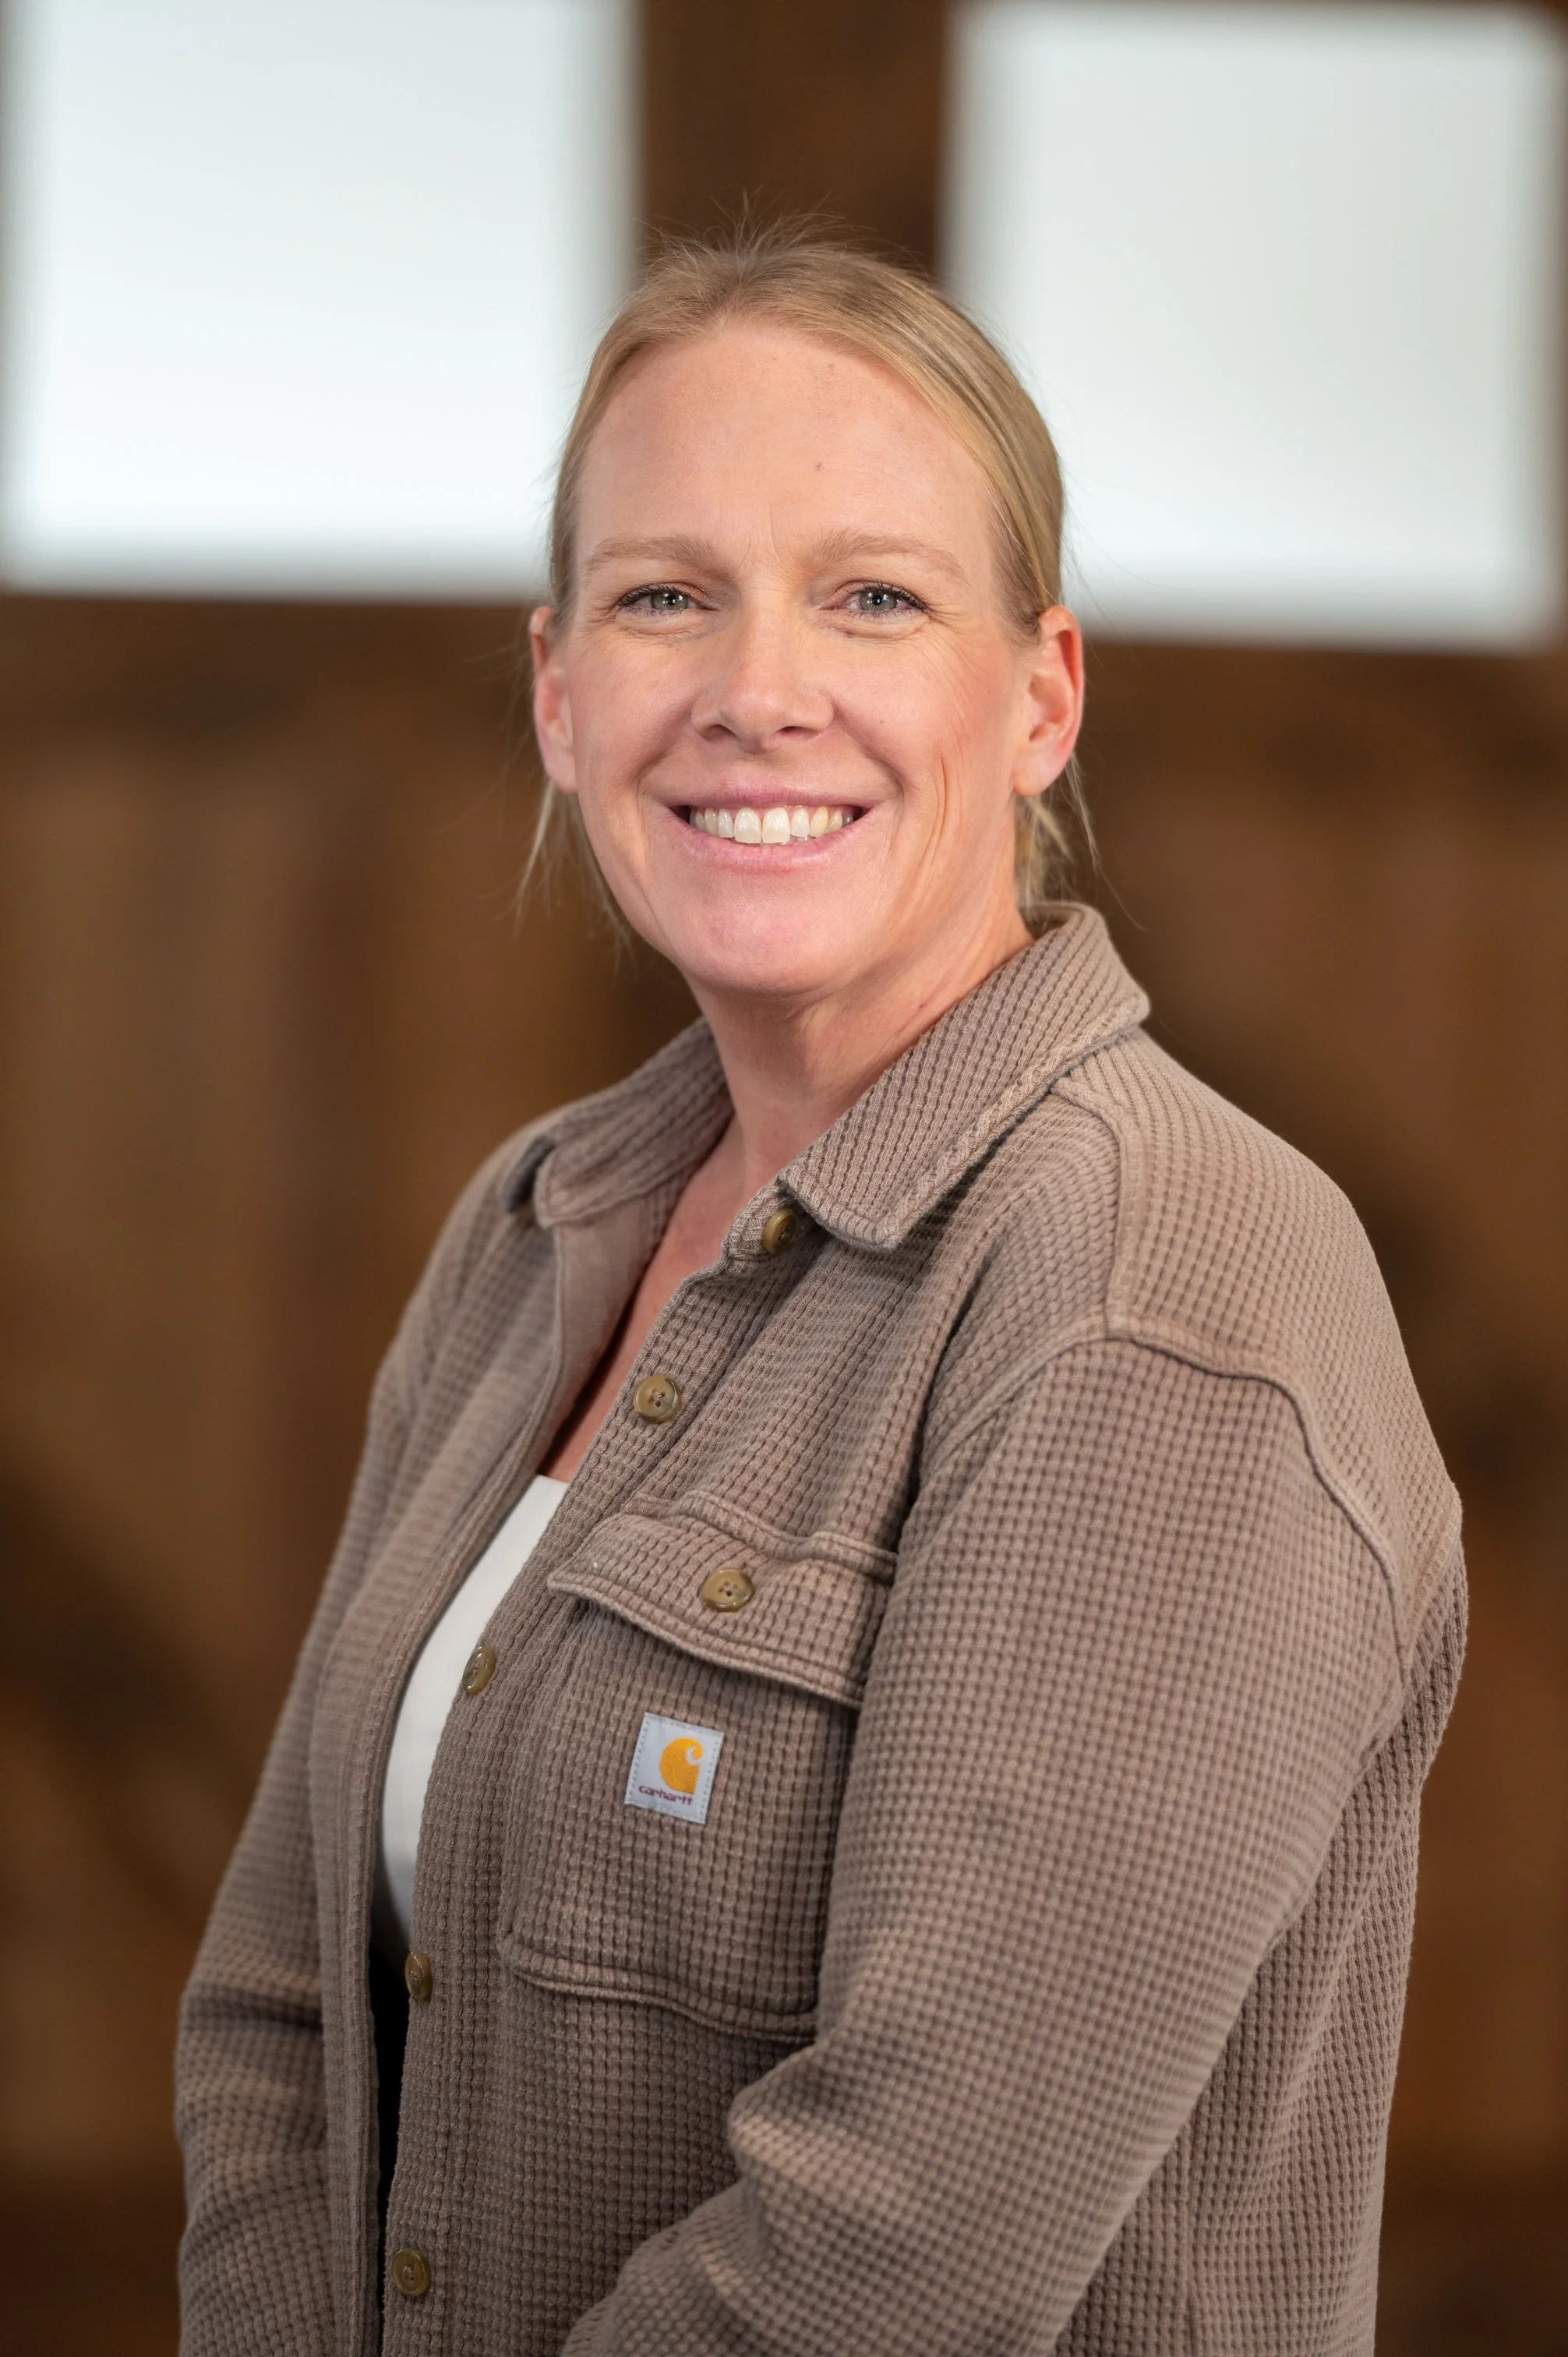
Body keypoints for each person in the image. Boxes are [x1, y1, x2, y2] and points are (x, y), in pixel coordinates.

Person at [175, 228, 1464, 2357]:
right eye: (664, 595)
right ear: (559, 692)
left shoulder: (1160, 1281)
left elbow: (906, 2244)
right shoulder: (535, 1227)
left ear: (1039, 696)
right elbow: (279, 2011)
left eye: (872, 596)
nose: (755, 690)